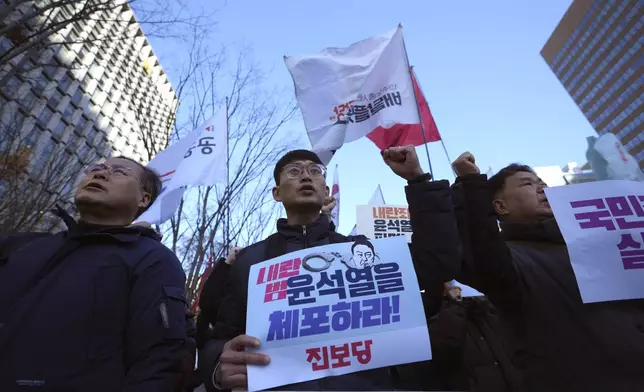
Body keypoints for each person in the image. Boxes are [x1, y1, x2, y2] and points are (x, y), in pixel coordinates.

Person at [199, 147, 461, 391]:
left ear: (326, 193)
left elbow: (437, 263)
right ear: (277, 193)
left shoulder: (362, 253)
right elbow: (221, 336)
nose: (305, 176)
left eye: (315, 171)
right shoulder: (251, 261)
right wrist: (218, 370)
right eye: (294, 171)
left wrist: (418, 181)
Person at [451, 152, 644, 392]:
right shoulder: (508, 259)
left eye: (543, 183)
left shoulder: (601, 247)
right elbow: (479, 248)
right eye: (528, 184)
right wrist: (471, 184)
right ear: (500, 206)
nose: (543, 189)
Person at [0, 157, 188, 391]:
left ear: (144, 198)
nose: (99, 174)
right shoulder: (20, 247)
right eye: (96, 169)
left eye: (119, 172)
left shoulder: (153, 260)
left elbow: (159, 362)